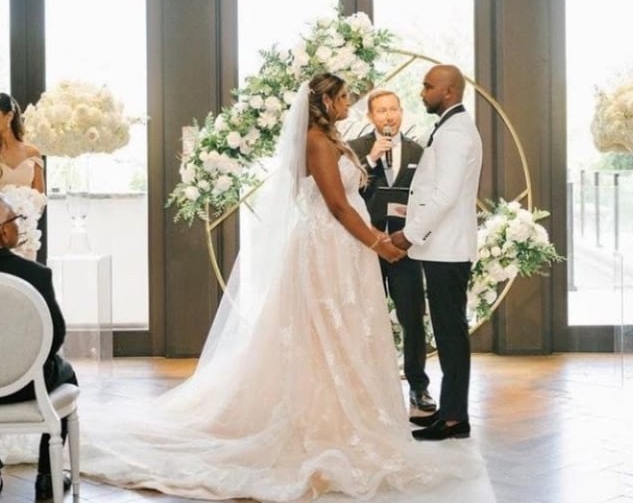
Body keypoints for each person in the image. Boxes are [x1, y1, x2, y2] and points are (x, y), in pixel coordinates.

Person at [75, 72, 483, 502]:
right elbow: (338, 205)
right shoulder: (315, 140)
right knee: (322, 329)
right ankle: (321, 416)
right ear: (325, 102)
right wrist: (378, 243)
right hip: (330, 244)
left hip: (349, 249)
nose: (350, 104)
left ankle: (353, 411)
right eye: (344, 98)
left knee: (345, 331)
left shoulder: (339, 138)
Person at [391, 65, 483, 442]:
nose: (422, 92)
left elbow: (444, 195)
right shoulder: (449, 127)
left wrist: (409, 235)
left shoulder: (456, 133)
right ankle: (449, 411)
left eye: (428, 86)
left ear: (447, 91)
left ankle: (454, 418)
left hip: (447, 248)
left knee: (450, 332)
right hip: (441, 246)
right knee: (447, 332)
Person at [348, 89, 435, 413]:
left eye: (394, 109)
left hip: (404, 249)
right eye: (381, 110)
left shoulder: (419, 151)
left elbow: (427, 200)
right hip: (365, 247)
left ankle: (418, 387)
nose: (389, 116)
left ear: (402, 112)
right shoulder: (355, 150)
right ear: (370, 117)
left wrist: (409, 238)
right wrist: (371, 158)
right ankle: (365, 389)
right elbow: (346, 194)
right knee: (363, 317)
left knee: (412, 318)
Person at [0, 193, 78, 501]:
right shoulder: (36, 274)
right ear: (5, 232)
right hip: (29, 388)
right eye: (15, 220)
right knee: (67, 373)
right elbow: (55, 336)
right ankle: (48, 475)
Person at [0, 92, 46, 261]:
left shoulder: (32, 152)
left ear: (9, 116)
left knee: (26, 282)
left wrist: (25, 220)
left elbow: (40, 197)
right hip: (0, 235)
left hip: (27, 233)